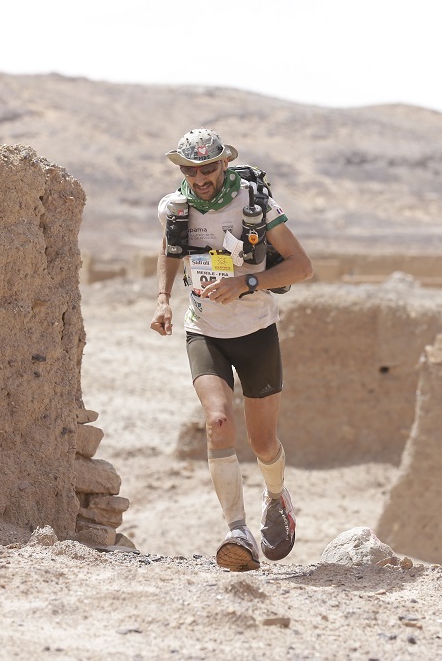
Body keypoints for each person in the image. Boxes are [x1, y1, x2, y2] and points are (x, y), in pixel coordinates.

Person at [149, 128, 313, 572]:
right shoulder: (175, 207)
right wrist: (163, 298)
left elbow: (302, 265)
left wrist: (247, 282)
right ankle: (237, 531)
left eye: (207, 168)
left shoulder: (256, 205)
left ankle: (277, 498)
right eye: (190, 170)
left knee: (262, 442)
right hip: (204, 330)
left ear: (223, 164)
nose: (199, 178)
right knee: (218, 420)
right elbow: (170, 247)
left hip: (256, 328)